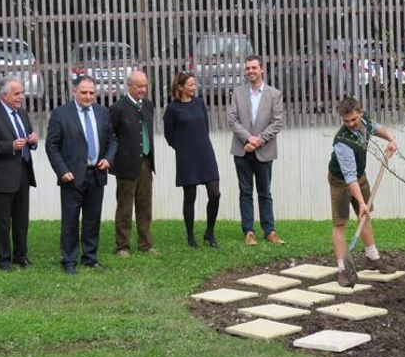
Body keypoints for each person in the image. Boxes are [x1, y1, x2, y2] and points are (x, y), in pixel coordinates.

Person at [45, 75, 117, 274]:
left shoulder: (102, 112)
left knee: (92, 218)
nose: (88, 96)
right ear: (74, 91)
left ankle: (90, 257)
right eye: (84, 92)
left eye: (92, 93)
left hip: (97, 173)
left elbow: (112, 139)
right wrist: (62, 171)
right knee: (70, 219)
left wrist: (108, 159)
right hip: (72, 176)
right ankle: (69, 260)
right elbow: (52, 146)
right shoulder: (61, 114)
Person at [328, 97, 398, 287]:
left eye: (353, 119)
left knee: (365, 217)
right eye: (346, 121)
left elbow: (376, 128)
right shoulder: (342, 142)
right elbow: (349, 178)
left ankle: (372, 258)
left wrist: (391, 139)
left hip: (359, 175)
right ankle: (343, 269)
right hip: (341, 181)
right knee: (340, 223)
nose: (350, 124)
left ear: (359, 112)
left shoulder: (365, 120)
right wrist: (361, 202)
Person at [0, 77, 38, 271]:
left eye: (22, 92)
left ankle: (21, 255)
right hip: (3, 177)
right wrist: (10, 147)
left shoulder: (22, 113)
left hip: (23, 172)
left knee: (22, 218)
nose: (22, 96)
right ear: (5, 95)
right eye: (17, 93)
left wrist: (33, 140)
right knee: (4, 221)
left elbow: (27, 136)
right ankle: (3, 259)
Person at [227, 54, 285, 246]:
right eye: (247, 68)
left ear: (262, 69)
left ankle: (269, 231)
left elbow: (277, 122)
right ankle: (249, 231)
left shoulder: (274, 94)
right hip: (242, 149)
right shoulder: (237, 92)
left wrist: (259, 140)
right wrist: (248, 138)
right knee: (245, 192)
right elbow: (232, 120)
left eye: (254, 68)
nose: (250, 71)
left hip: (264, 150)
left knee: (265, 192)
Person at [163, 71, 220, 249]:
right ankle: (190, 236)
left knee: (215, 193)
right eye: (191, 85)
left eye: (195, 84)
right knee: (190, 196)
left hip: (205, 153)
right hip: (186, 156)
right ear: (180, 87)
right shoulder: (172, 109)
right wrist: (182, 148)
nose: (194, 87)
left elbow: (205, 127)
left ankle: (209, 232)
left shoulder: (199, 102)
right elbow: (169, 136)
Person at [109, 70, 156, 257]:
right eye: (139, 86)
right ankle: (123, 246)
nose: (143, 90)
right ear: (129, 86)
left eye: (145, 86)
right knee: (125, 206)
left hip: (146, 161)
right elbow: (110, 135)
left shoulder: (148, 106)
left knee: (145, 205)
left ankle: (146, 243)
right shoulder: (118, 108)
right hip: (126, 164)